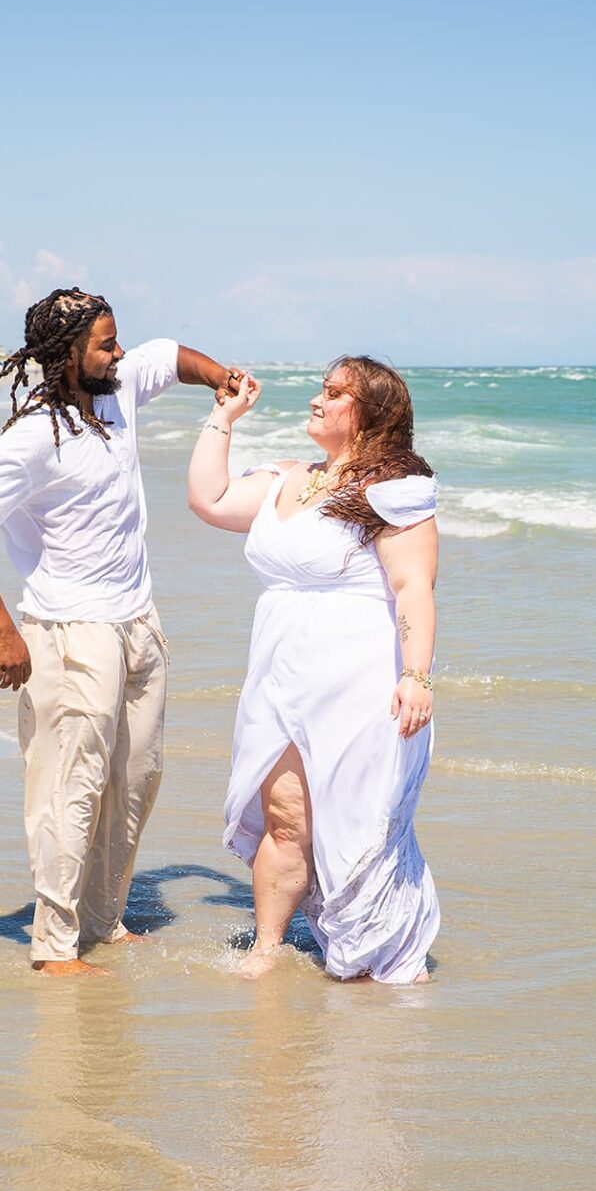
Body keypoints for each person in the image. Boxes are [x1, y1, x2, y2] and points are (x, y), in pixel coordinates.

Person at [0, 287, 245, 977]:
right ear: (67, 355)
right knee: (69, 789)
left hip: (138, 624)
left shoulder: (116, 387)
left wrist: (219, 376)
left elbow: (170, 357)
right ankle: (54, 947)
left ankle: (103, 921)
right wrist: (2, 629)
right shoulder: (31, 439)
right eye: (106, 343)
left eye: (115, 340)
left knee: (135, 780)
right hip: (69, 632)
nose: (119, 352)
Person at [187, 356, 439, 983]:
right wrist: (223, 416)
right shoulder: (286, 479)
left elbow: (413, 587)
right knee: (287, 816)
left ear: (370, 413)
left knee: (359, 822)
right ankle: (267, 949)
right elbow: (209, 499)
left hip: (359, 684)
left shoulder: (391, 487)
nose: (316, 402)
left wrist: (417, 675)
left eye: (333, 394)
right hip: (279, 677)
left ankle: (381, 955)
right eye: (320, 391)